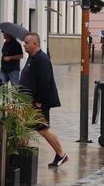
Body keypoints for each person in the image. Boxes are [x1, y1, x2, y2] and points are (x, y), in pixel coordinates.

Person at [19, 33, 68, 167]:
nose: (24, 45)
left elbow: (45, 82)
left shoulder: (42, 59)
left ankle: (61, 154)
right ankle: (21, 155)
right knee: (25, 126)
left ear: (35, 44)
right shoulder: (32, 58)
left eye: (27, 43)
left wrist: (39, 101)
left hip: (38, 102)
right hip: (29, 101)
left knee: (42, 129)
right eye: (24, 42)